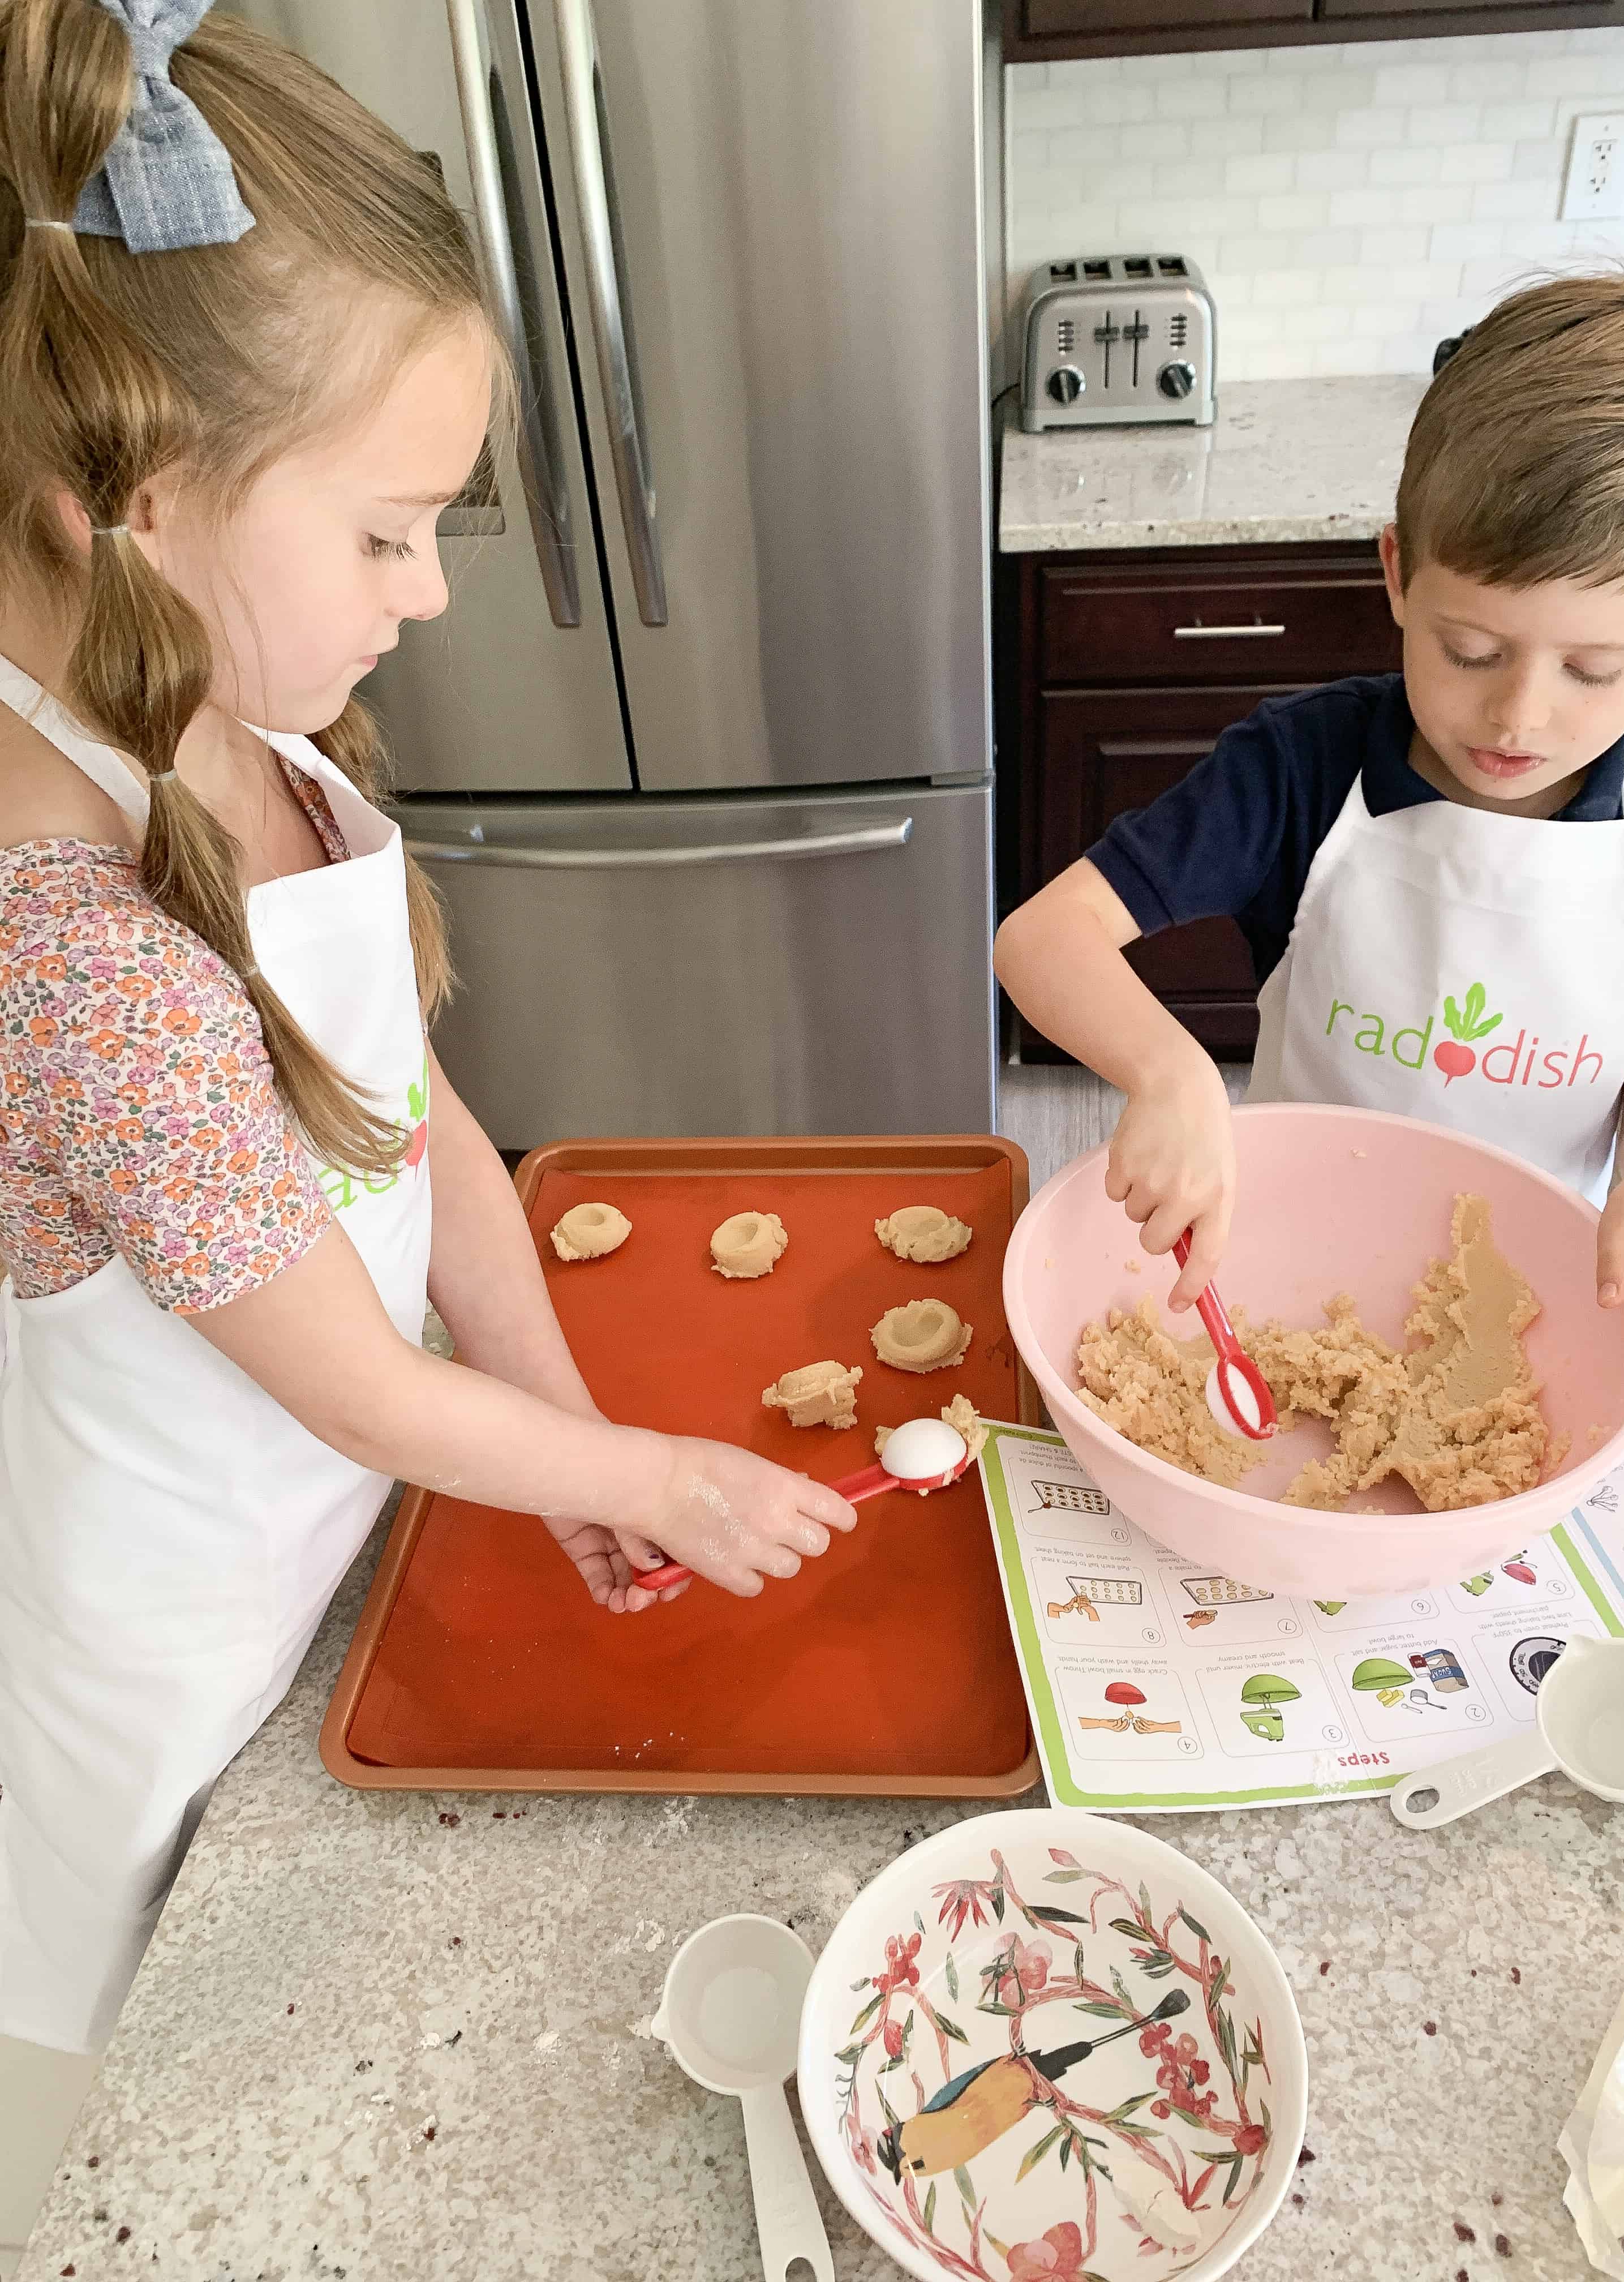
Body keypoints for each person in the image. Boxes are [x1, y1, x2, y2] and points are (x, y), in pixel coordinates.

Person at [0, 0, 855, 2058]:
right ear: (132, 493)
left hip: (339, 1561)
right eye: (388, 533)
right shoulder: (77, 954)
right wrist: (645, 1471)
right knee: (157, 2080)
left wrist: (555, 1420)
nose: (432, 594)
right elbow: (352, 1390)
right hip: (174, 1681)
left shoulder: (262, 736)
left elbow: (426, 1134)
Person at [996, 271, 1624, 1332]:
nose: (1518, 716)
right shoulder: (1303, 764)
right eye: (1469, 650)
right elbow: (1042, 938)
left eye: (1596, 672)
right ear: (1396, 577)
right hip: (1290, 1259)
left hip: (1538, 1288)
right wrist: (1169, 1070)